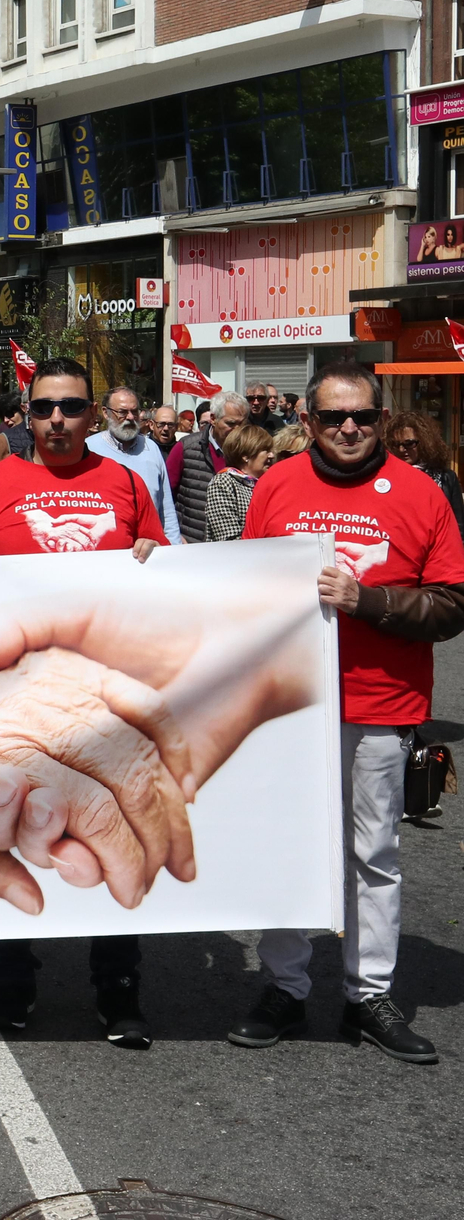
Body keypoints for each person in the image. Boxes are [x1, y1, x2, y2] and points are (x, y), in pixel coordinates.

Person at [228, 361, 464, 1064]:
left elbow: (453, 603)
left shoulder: (422, 494)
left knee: (374, 857)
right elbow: (246, 587)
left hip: (380, 704)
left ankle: (369, 995)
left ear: (382, 416)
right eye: (334, 417)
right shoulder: (276, 485)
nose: (350, 428)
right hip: (290, 706)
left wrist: (371, 602)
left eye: (362, 415)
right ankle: (286, 987)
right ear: (308, 421)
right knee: (289, 846)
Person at [0, 358, 169, 1049]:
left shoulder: (126, 483)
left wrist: (152, 553)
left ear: (93, 416)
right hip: (16, 704)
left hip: (105, 703)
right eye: (44, 409)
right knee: (9, 836)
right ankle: (14, 981)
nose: (58, 421)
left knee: (114, 833)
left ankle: (118, 988)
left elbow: (166, 569)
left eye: (71, 408)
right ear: (27, 415)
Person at [86, 387, 184, 546]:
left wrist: (173, 548)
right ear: (105, 413)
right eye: (123, 412)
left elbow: (166, 510)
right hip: (105, 554)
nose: (130, 417)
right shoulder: (89, 449)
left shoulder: (151, 449)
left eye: (135, 411)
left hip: (150, 554)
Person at [169, 389, 248, 542]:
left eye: (242, 424)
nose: (237, 430)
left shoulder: (252, 453)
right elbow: (164, 498)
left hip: (235, 546)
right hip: (191, 543)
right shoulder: (186, 448)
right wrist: (174, 536)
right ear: (213, 418)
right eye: (231, 423)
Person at [388, 411, 464, 539]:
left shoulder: (446, 478)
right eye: (396, 444)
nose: (402, 450)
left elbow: (458, 527)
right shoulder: (386, 478)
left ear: (424, 442)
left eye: (409, 443)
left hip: (439, 550)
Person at [202, 423, 271, 542]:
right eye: (266, 450)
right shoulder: (223, 483)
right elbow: (228, 538)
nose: (271, 455)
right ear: (246, 456)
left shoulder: (269, 483)